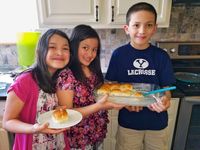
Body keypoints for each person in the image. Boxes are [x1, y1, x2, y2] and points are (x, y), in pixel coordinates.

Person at [105, 2, 175, 150]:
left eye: (148, 25)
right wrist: (124, 102)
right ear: (127, 28)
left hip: (157, 124)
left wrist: (165, 100)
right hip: (129, 124)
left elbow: (167, 89)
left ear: (154, 28)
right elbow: (111, 88)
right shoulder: (119, 55)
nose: (142, 31)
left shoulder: (162, 56)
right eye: (136, 25)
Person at [56, 24, 123, 150]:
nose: (90, 54)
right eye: (85, 48)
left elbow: (96, 96)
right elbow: (67, 114)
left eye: (94, 50)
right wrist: (99, 106)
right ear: (74, 47)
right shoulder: (66, 76)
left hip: (97, 135)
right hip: (78, 141)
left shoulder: (93, 70)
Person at [3, 29, 71, 150]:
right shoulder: (24, 81)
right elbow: (7, 122)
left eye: (65, 48)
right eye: (52, 47)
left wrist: (57, 110)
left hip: (57, 143)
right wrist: (34, 128)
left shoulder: (60, 78)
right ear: (40, 51)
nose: (60, 52)